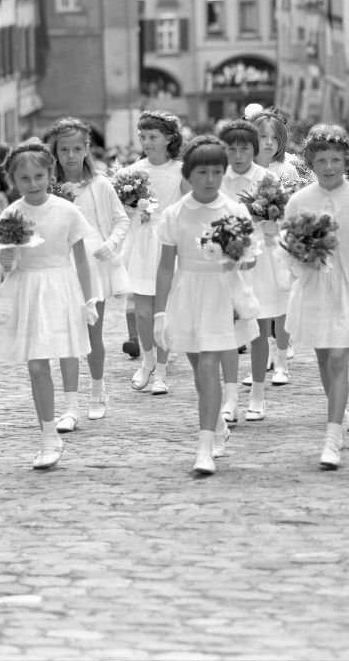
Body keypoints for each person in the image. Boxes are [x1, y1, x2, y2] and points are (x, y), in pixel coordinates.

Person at [0, 140, 97, 470]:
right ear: (13, 181)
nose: (33, 184)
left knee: (65, 351)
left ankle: (71, 406)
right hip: (28, 288)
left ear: (50, 174)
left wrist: (88, 299)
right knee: (36, 365)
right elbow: (7, 263)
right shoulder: (12, 213)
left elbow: (81, 260)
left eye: (39, 176)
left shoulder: (66, 211)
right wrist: (6, 256)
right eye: (24, 179)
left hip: (60, 286)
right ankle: (49, 436)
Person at [153, 136, 260, 474]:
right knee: (200, 370)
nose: (210, 179)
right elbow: (165, 265)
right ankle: (218, 426)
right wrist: (159, 312)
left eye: (217, 171)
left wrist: (237, 260)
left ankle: (204, 448)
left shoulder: (234, 210)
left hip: (220, 292)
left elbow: (251, 258)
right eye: (202, 172)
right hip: (187, 292)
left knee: (209, 366)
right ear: (189, 174)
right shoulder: (175, 213)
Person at [283, 124, 349, 469]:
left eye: (336, 159)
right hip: (314, 288)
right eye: (322, 160)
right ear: (311, 161)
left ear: (347, 160)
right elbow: (287, 246)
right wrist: (301, 260)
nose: (329, 167)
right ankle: (339, 413)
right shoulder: (300, 201)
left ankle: (332, 439)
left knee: (340, 359)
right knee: (324, 359)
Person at [44, 117, 131, 424]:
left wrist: (111, 244)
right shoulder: (48, 186)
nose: (70, 156)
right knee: (67, 332)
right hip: (59, 262)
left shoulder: (99, 185)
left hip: (93, 260)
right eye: (64, 149)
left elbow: (122, 219)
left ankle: (97, 389)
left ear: (86, 149)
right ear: (55, 151)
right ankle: (70, 402)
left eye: (76, 149)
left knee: (93, 331)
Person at [122, 110, 189, 396]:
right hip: (141, 241)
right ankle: (147, 360)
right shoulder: (132, 172)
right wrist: (133, 208)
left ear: (169, 138)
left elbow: (188, 205)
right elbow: (122, 209)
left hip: (166, 242)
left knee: (163, 309)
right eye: (143, 137)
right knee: (142, 310)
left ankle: (162, 369)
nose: (146, 142)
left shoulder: (180, 170)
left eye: (153, 137)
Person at [217, 117, 277, 421]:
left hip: (259, 262)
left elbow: (275, 224)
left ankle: (257, 393)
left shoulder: (266, 179)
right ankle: (229, 397)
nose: (238, 155)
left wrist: (264, 234)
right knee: (226, 329)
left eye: (244, 148)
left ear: (253, 149)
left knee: (259, 329)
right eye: (231, 149)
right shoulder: (218, 178)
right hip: (225, 262)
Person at [252, 109, 301, 381]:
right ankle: (263, 356)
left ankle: (282, 359)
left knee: (282, 303)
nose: (269, 142)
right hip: (255, 244)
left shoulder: (287, 169)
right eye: (262, 136)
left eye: (274, 137)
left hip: (280, 243)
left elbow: (293, 208)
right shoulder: (245, 170)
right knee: (256, 304)